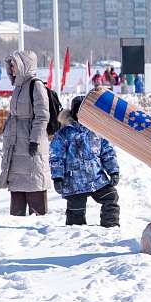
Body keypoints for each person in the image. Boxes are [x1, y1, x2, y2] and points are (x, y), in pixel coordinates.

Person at [50, 96, 121, 227]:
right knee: (76, 213)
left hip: (96, 179)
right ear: (74, 113)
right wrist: (57, 178)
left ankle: (110, 227)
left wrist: (113, 171)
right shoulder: (64, 134)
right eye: (79, 112)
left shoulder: (97, 131)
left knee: (111, 197)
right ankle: (76, 235)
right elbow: (56, 157)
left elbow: (107, 152)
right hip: (74, 182)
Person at [0, 50, 51, 216]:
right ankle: (16, 219)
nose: (12, 69)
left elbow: (42, 116)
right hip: (15, 143)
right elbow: (14, 113)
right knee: (17, 183)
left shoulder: (36, 86)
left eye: (14, 65)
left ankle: (38, 224)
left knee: (34, 181)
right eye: (11, 66)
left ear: (24, 65)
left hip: (29, 143)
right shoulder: (18, 87)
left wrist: (34, 140)